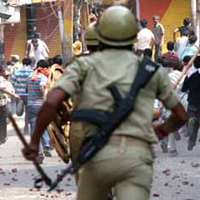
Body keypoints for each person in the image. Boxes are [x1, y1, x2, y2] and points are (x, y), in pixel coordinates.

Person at [22, 6, 188, 200]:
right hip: (136, 158)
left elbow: (51, 101)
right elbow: (181, 116)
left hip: (95, 153)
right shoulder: (152, 70)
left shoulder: (82, 66)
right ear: (134, 37)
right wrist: (159, 131)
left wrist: (34, 142)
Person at [26, 59, 52, 163]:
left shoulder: (30, 76)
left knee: (34, 128)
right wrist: (45, 97)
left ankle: (38, 152)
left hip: (31, 105)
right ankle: (46, 143)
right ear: (45, 68)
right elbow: (41, 86)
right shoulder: (43, 77)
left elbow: (27, 89)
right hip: (41, 105)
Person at [181, 56, 200, 151]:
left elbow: (183, 88)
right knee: (196, 125)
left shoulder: (190, 74)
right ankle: (192, 141)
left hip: (192, 101)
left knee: (192, 119)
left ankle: (189, 122)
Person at [11, 58, 33, 134]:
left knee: (18, 112)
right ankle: (26, 127)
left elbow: (12, 82)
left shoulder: (16, 72)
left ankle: (26, 127)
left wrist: (17, 87)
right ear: (30, 64)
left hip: (19, 95)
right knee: (27, 112)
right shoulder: (32, 72)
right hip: (28, 95)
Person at [0, 67, 20, 145]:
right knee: (2, 120)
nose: (6, 74)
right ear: (1, 72)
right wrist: (14, 95)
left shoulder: (4, 79)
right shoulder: (1, 79)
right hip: (1, 103)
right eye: (4, 71)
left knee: (3, 120)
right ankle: (2, 137)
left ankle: (2, 137)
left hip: (3, 102)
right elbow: (3, 89)